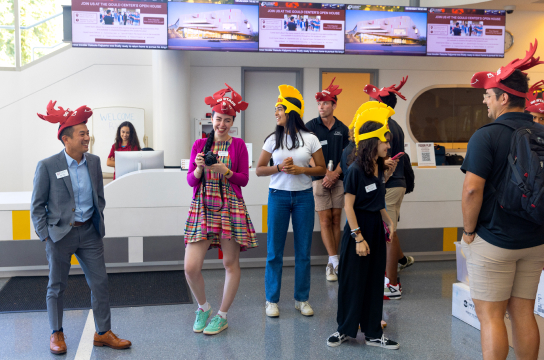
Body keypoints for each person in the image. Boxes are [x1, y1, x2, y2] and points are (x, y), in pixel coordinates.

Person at [461, 40, 544, 360]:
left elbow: (471, 190)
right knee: (523, 311)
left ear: (504, 97)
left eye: (488, 93)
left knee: (491, 316)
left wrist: (469, 233)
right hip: (535, 239)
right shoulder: (540, 133)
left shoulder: (487, 134)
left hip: (495, 240)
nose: (484, 99)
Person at [31, 101, 131, 355]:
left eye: (88, 133)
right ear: (66, 139)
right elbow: (37, 206)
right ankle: (56, 333)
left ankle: (103, 333)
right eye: (82, 134)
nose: (88, 137)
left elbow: (99, 196)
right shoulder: (47, 166)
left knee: (100, 283)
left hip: (89, 233)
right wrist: (47, 236)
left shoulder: (94, 162)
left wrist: (96, 219)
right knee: (57, 286)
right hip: (60, 235)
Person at [184, 84, 257, 336]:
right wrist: (199, 169)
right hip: (203, 205)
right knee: (190, 267)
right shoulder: (199, 145)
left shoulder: (238, 146)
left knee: (229, 262)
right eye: (218, 119)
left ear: (233, 121)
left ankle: (222, 315)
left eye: (227, 120)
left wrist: (225, 171)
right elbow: (191, 182)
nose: (222, 124)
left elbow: (244, 179)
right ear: (211, 119)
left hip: (230, 206)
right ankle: (203, 307)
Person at [326, 102, 399, 350]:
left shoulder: (376, 168)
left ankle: (372, 332)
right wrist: (358, 238)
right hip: (358, 230)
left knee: (373, 280)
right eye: (384, 142)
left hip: (375, 227)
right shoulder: (355, 169)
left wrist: (388, 219)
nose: (389, 146)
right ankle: (344, 330)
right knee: (352, 280)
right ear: (371, 143)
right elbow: (349, 206)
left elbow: (375, 200)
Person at [256, 85, 326, 318]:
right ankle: (271, 300)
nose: (276, 113)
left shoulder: (311, 139)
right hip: (278, 197)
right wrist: (278, 168)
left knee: (303, 252)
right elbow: (258, 170)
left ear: (291, 112)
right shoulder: (271, 140)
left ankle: (301, 299)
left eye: (279, 109)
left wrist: (301, 170)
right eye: (275, 110)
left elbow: (322, 169)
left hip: (304, 198)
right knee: (274, 251)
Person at [364, 77, 414, 300]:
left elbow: (383, 160)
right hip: (397, 184)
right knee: (389, 227)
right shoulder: (394, 124)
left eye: (373, 100)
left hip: (390, 184)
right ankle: (402, 260)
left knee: (388, 233)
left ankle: (393, 285)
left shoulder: (384, 125)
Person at [306, 78, 349, 282]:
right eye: (319, 103)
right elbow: (306, 153)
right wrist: (325, 174)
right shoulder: (310, 127)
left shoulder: (342, 128)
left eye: (325, 103)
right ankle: (333, 262)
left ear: (334, 105)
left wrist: (335, 174)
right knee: (324, 220)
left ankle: (334, 261)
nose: (321, 107)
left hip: (338, 178)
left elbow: (347, 154)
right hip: (318, 179)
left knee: (336, 219)